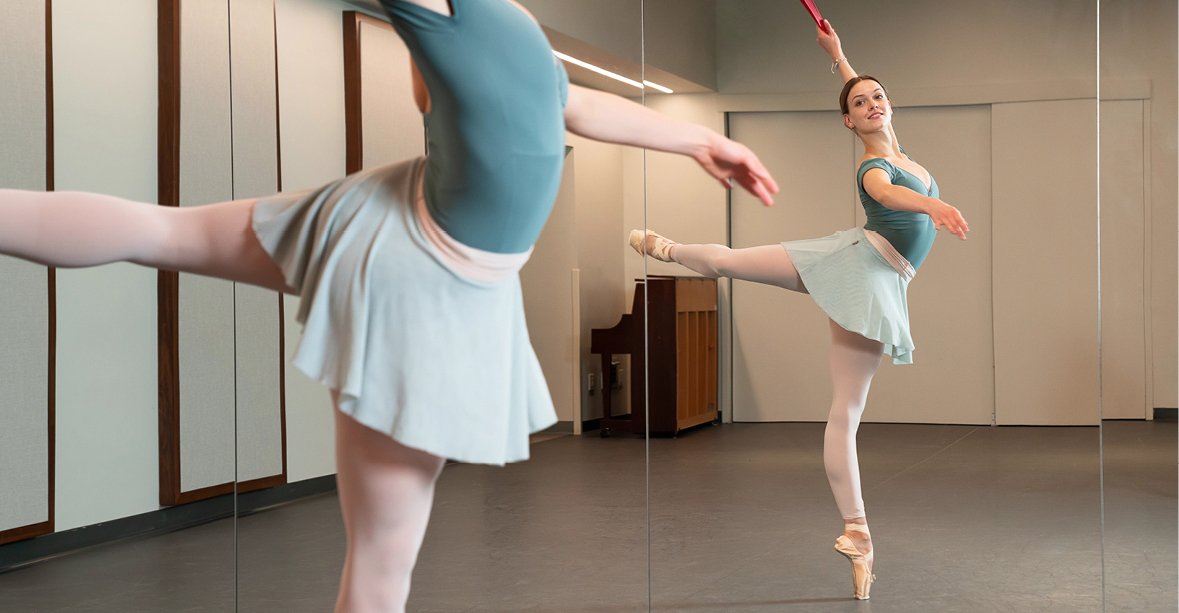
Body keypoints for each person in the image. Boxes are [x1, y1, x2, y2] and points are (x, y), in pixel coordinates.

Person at [0, 1, 777, 611]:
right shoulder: (457, 11)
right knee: (381, 567)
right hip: (420, 276)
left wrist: (694, 142)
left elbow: (568, 102)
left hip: (401, 221)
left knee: (159, 231)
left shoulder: (505, 24)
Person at [629, 18, 968, 601]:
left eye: (878, 96)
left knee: (848, 411)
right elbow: (888, 197)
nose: (872, 104)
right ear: (848, 122)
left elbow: (861, 90)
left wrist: (838, 54)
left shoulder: (903, 151)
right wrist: (934, 209)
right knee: (737, 263)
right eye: (860, 103)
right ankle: (669, 248)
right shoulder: (875, 168)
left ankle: (857, 534)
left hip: (880, 278)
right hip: (859, 266)